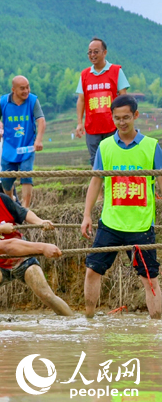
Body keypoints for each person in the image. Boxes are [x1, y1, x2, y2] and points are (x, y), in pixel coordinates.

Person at [81, 94, 162, 319]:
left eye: (126, 117)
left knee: (150, 279)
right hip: (111, 222)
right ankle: (89, 322)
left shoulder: (151, 146)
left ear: (135, 116)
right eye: (117, 118)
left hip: (141, 224)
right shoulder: (105, 147)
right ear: (112, 118)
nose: (122, 122)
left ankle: (157, 327)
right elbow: (96, 181)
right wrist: (87, 215)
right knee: (92, 270)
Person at [0, 183, 72, 316]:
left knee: (46, 294)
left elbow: (23, 212)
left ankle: (72, 321)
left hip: (22, 260)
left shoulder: (1, 199)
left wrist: (39, 222)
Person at [0, 76, 46, 208]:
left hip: (27, 145)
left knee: (26, 173)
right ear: (13, 90)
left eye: (28, 87)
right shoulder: (4, 101)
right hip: (10, 146)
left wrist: (38, 140)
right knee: (5, 179)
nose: (26, 91)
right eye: (22, 88)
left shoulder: (33, 100)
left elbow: (41, 121)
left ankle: (25, 206)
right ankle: (11, 199)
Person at [75, 37, 130, 166]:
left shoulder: (116, 71)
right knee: (96, 163)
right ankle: (98, 187)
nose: (92, 55)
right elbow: (81, 100)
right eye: (90, 52)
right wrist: (79, 123)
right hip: (92, 127)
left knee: (115, 159)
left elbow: (123, 97)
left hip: (113, 125)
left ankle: (113, 186)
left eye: (96, 52)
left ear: (104, 52)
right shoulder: (85, 75)